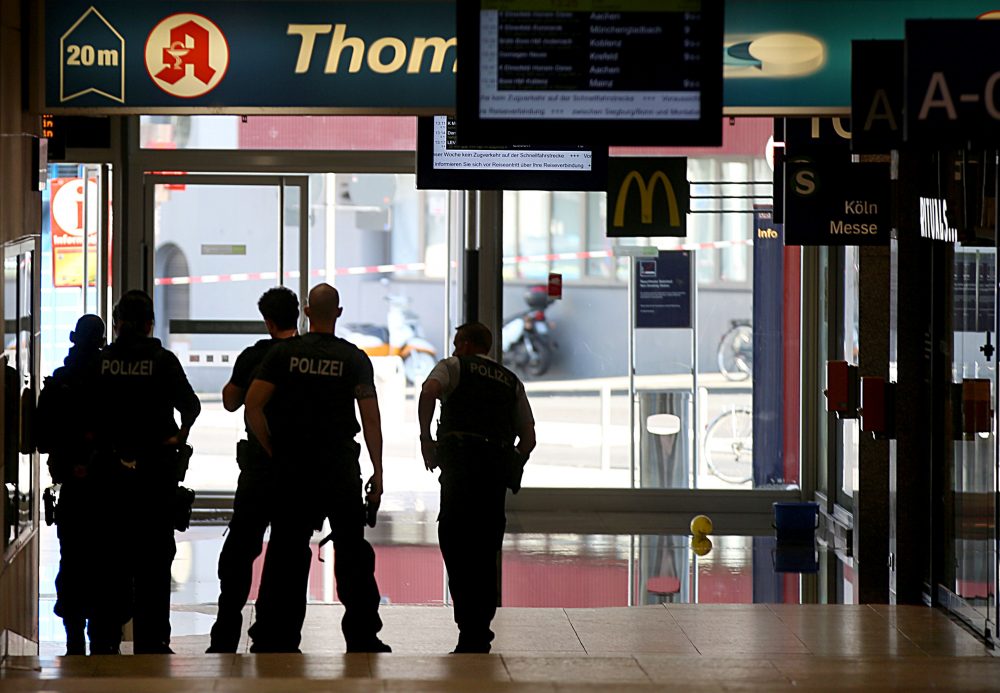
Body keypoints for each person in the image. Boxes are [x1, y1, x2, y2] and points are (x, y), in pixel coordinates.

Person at [244, 282, 389, 653]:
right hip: (339, 466)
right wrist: (378, 469)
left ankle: (277, 635)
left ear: (307, 312)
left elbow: (252, 406)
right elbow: (370, 419)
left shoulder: (284, 355)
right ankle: (362, 635)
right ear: (338, 313)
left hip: (293, 467)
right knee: (353, 553)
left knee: (286, 552)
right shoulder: (354, 359)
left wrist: (272, 449)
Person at [418, 321, 536, 654]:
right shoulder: (511, 381)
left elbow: (428, 391)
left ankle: (466, 621)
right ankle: (480, 626)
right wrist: (512, 462)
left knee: (454, 540)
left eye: (457, 343)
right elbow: (528, 437)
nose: (455, 349)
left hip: (460, 465)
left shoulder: (452, 366)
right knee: (486, 547)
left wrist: (427, 439)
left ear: (469, 345)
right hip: (494, 469)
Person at [98, 290, 201, 654]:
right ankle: (153, 640)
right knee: (155, 563)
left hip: (108, 479)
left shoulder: (103, 361)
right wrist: (178, 436)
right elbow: (191, 406)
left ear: (118, 323)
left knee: (112, 562)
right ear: (149, 324)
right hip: (155, 478)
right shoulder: (163, 361)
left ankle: (107, 640)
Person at [207, 287, 301, 653]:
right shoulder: (307, 355)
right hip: (299, 469)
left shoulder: (255, 356)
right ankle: (275, 632)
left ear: (268, 320)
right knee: (288, 551)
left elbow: (232, 401)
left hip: (260, 468)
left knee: (240, 550)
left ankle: (226, 631)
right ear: (298, 315)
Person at [36, 315, 119, 654]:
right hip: (110, 488)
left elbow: (42, 438)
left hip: (72, 488)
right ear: (102, 341)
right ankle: (103, 636)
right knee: (108, 562)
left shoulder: (59, 383)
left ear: (72, 337)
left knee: (72, 562)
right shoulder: (112, 380)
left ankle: (74, 634)